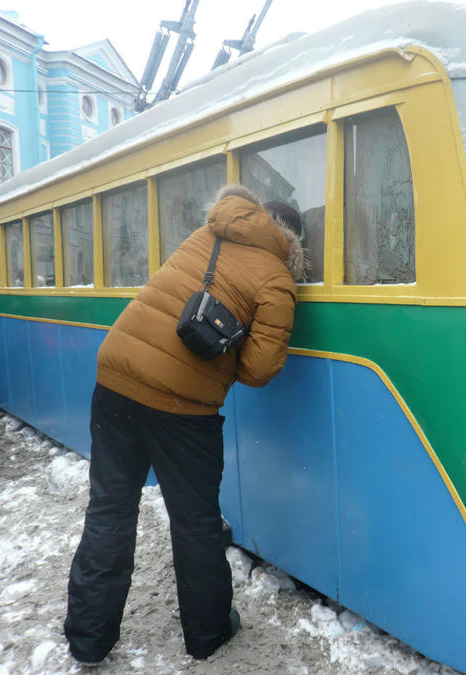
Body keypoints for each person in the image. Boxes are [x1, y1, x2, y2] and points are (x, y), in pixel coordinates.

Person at [64, 184, 304, 665]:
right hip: (183, 406)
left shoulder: (205, 235)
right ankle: (208, 633)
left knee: (110, 509)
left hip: (114, 375)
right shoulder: (277, 277)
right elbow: (258, 371)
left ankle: (87, 640)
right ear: (291, 239)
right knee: (195, 523)